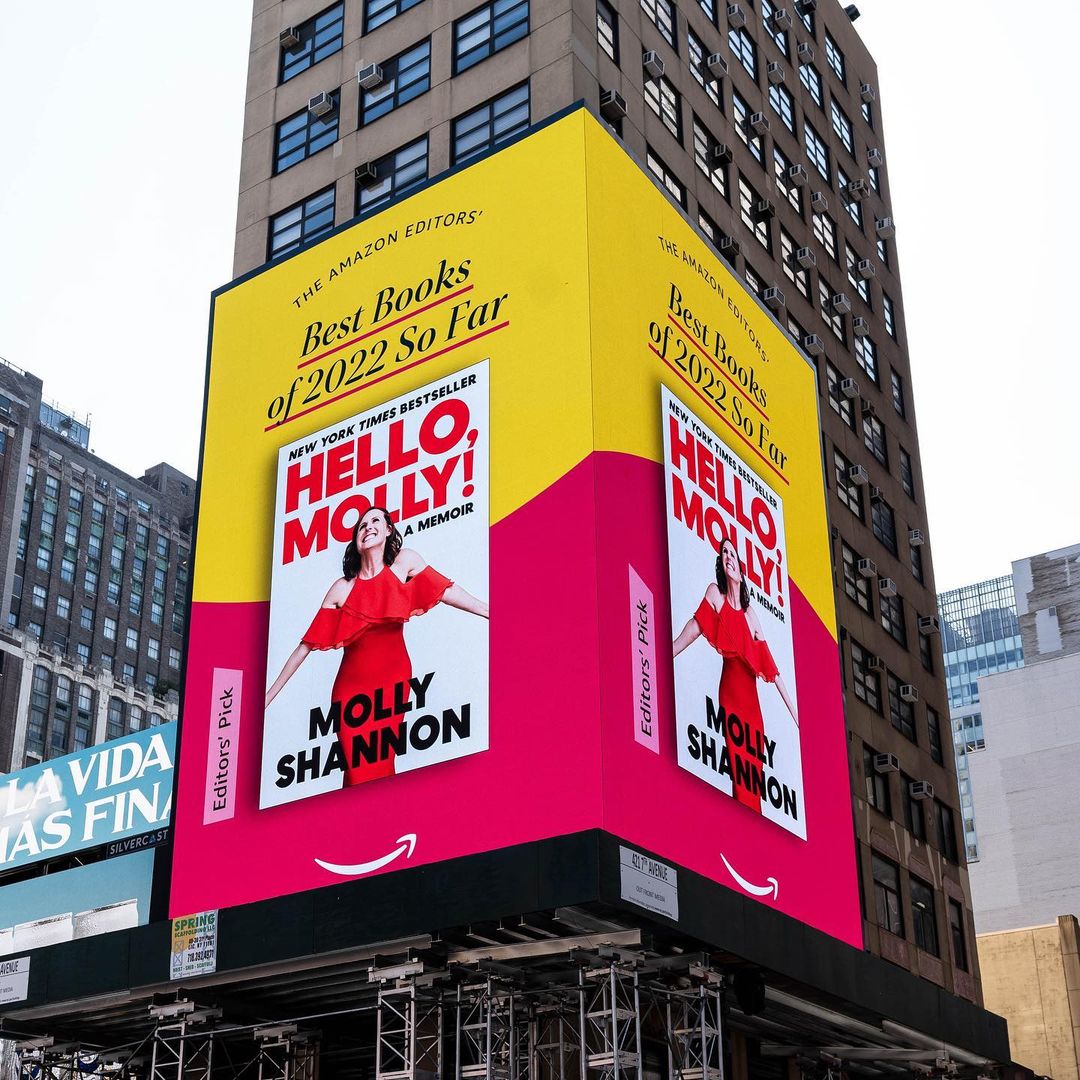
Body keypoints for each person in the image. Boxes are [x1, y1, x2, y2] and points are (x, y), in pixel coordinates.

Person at [265, 506, 488, 785]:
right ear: (356, 541)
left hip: (393, 682)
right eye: (362, 525)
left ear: (388, 530)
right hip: (350, 691)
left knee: (381, 763)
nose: (368, 527)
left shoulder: (404, 562)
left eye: (375, 521)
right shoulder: (342, 588)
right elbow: (305, 647)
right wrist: (267, 698)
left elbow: (445, 590)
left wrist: (489, 611)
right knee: (356, 770)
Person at [673, 536, 797, 812]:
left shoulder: (751, 615)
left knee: (753, 773)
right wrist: (661, 652)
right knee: (738, 769)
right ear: (722, 563)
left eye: (732, 553)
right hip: (730, 695)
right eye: (724, 553)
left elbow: (772, 667)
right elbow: (693, 628)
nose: (728, 556)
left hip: (753, 707)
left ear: (740, 566)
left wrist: (797, 717)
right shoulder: (714, 595)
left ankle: (751, 826)